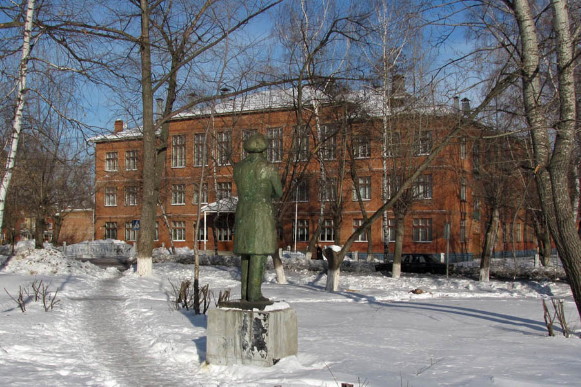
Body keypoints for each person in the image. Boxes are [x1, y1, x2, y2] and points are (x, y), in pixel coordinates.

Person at [233, 133, 283, 303]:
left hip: (243, 211)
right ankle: (254, 295)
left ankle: (245, 294)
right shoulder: (268, 167)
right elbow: (278, 191)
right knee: (258, 253)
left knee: (246, 254)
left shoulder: (238, 167)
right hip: (261, 211)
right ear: (264, 148)